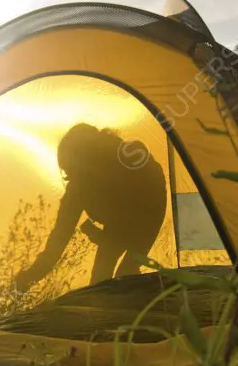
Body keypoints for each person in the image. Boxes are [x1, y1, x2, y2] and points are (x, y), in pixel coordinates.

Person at [13, 123, 167, 291]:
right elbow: (58, 240)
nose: (71, 177)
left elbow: (149, 191)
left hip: (149, 209)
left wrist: (110, 239)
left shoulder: (123, 157)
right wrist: (29, 279)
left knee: (124, 273)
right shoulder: (77, 189)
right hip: (122, 220)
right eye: (69, 172)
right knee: (101, 279)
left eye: (73, 170)